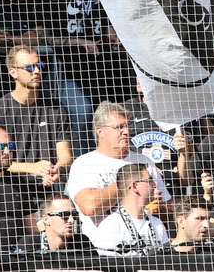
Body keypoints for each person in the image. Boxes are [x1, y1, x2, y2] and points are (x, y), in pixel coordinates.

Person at [66, 102, 171, 245]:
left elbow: (167, 209)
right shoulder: (84, 163)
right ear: (100, 131)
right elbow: (88, 207)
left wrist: (158, 207)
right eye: (119, 127)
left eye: (127, 126)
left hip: (147, 244)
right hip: (105, 248)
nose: (127, 132)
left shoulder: (143, 161)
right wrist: (130, 182)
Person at [0, 47, 72, 198]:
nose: (37, 71)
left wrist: (57, 170)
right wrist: (32, 168)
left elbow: (66, 156)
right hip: (8, 192)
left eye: (40, 65)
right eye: (29, 67)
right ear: (13, 72)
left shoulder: (56, 108)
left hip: (47, 191)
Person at [93, 163, 169, 256]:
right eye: (150, 180)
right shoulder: (110, 226)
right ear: (135, 186)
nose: (154, 185)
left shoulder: (157, 224)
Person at [18, 195, 89, 252]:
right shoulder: (29, 243)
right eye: (64, 214)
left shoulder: (82, 242)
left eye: (74, 214)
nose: (71, 220)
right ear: (46, 219)